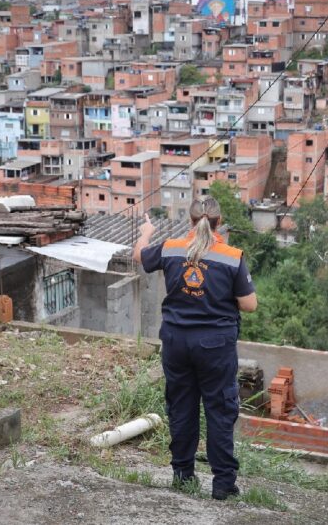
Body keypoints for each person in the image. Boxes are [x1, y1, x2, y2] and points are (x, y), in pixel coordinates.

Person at [134, 198, 257, 500]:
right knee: (219, 410)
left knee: (182, 409)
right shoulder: (231, 256)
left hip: (176, 342)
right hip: (215, 346)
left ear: (189, 221)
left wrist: (147, 231)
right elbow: (249, 304)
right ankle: (223, 484)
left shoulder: (172, 247)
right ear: (219, 221)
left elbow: (139, 256)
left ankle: (183, 476)